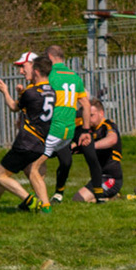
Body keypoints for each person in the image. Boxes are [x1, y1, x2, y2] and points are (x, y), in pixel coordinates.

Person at [0, 53, 54, 216]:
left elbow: (14, 107)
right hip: (40, 143)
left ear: (35, 70)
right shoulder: (52, 91)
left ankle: (30, 201)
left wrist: (5, 91)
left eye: (24, 67)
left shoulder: (31, 92)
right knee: (18, 172)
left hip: (26, 142)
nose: (22, 71)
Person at [44, 46, 85, 204]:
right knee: (59, 161)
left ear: (49, 57)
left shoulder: (50, 75)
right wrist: (86, 129)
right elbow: (86, 102)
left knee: (51, 161)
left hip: (55, 127)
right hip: (63, 128)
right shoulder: (74, 76)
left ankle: (57, 193)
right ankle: (40, 196)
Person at [78, 99, 125, 202]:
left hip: (112, 179)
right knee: (78, 198)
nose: (88, 119)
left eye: (91, 115)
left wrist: (91, 146)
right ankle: (111, 198)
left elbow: (112, 139)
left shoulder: (108, 125)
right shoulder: (89, 130)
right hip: (99, 178)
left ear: (101, 113)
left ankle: (114, 198)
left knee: (79, 199)